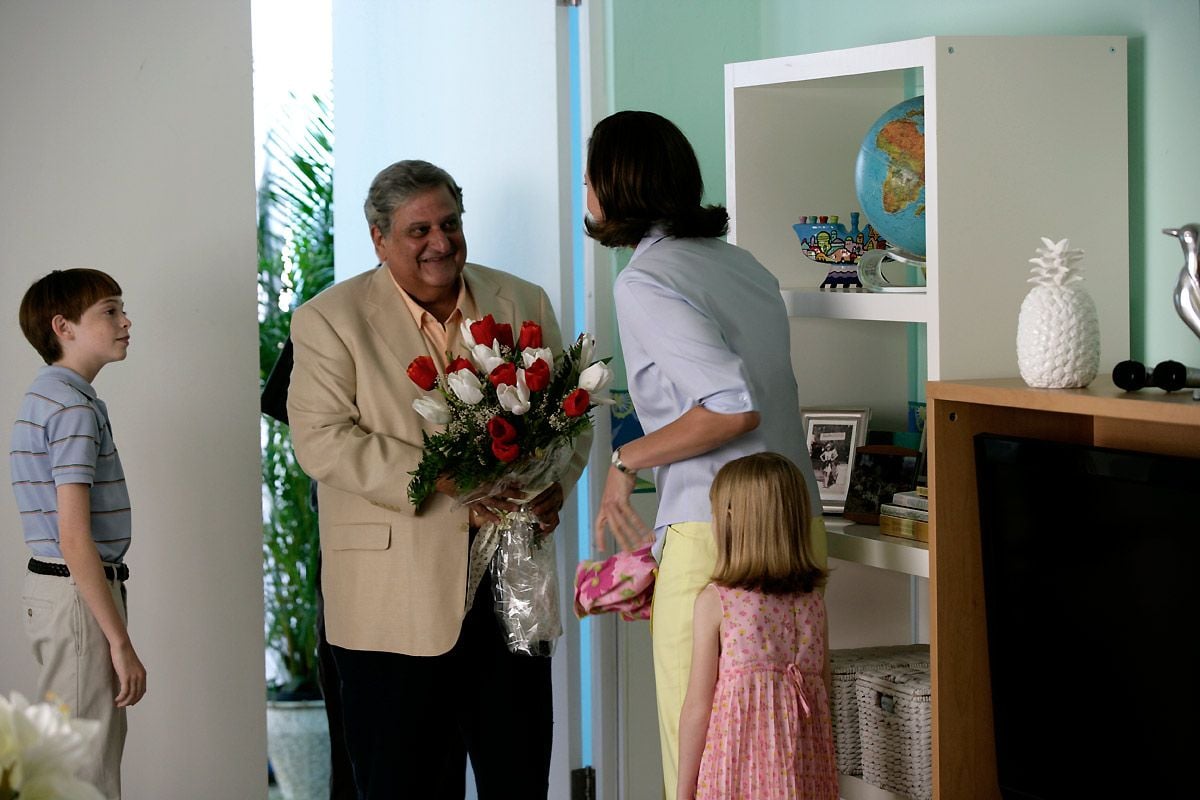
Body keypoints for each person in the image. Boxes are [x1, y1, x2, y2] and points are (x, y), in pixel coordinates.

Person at [286, 159, 587, 799]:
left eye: (449, 223)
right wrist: (443, 479)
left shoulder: (523, 300)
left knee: (520, 781)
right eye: (418, 230)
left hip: (512, 598)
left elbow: (570, 417)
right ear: (379, 239)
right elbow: (321, 440)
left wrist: (555, 480)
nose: (440, 242)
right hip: (391, 605)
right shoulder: (328, 319)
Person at [585, 110, 827, 799]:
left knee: (695, 753)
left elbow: (730, 404)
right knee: (782, 750)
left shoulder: (644, 281)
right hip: (792, 520)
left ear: (616, 186)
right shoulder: (741, 265)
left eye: (590, 179)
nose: (586, 194)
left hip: (715, 531)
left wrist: (625, 462)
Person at [10, 268, 147, 799]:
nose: (125, 321)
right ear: (62, 326)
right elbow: (74, 538)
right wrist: (120, 643)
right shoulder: (71, 407)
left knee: (66, 765)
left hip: (58, 592)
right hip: (76, 593)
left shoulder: (49, 396)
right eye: (109, 311)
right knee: (81, 774)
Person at [677, 452, 838, 800]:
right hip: (804, 772)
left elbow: (697, 707)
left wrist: (682, 789)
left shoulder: (717, 602)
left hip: (738, 771)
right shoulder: (813, 603)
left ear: (733, 518)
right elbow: (825, 692)